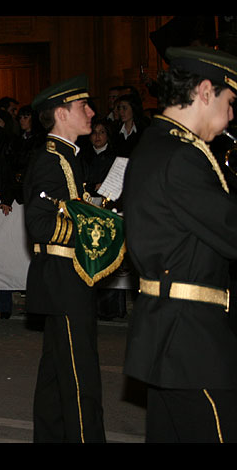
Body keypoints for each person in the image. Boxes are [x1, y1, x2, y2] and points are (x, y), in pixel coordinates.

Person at [123, 45, 237, 443]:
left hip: (167, 332)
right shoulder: (182, 157)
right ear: (205, 91)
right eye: (230, 101)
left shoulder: (157, 146)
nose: (232, 115)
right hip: (192, 341)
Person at [22, 74, 106, 442]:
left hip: (66, 277)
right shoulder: (49, 160)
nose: (90, 112)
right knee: (81, 375)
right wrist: (92, 231)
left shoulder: (69, 158)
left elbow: (71, 206)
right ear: (61, 113)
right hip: (63, 277)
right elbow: (40, 224)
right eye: (82, 107)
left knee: (57, 372)